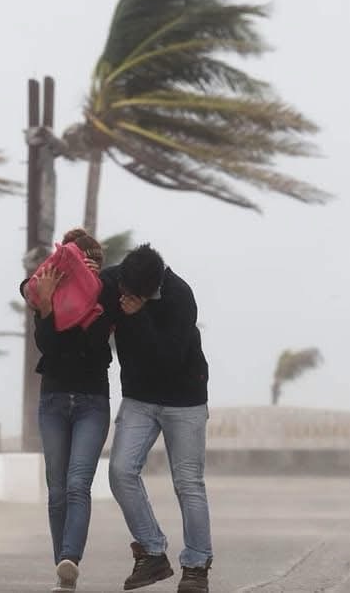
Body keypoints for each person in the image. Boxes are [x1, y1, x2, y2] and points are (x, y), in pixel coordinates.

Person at [100, 244, 213, 593]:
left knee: (188, 483)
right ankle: (152, 552)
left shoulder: (180, 295)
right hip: (139, 398)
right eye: (124, 290)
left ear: (152, 288)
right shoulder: (118, 279)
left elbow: (169, 359)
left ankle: (196, 567)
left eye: (135, 295)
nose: (125, 296)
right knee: (120, 471)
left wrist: (139, 315)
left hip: (185, 399)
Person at [21, 228, 113, 592]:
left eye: (92, 263)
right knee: (56, 488)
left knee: (78, 484)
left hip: (92, 400)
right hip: (54, 399)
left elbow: (93, 345)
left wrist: (92, 290)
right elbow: (48, 346)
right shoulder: (49, 293)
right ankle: (64, 568)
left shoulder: (104, 298)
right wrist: (46, 305)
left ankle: (70, 558)